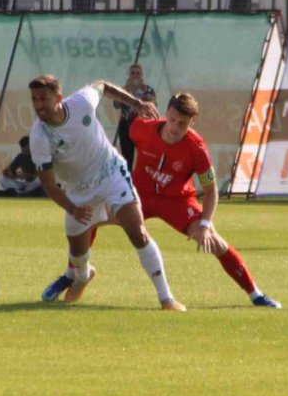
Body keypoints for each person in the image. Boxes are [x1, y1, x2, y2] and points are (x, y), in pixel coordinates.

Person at [29, 74, 186, 312]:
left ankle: (167, 299)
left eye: (43, 98)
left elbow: (101, 85)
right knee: (77, 252)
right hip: (78, 192)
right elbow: (49, 184)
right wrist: (72, 207)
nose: (39, 105)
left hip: (111, 173)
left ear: (59, 98)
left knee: (137, 232)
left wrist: (136, 103)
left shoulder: (81, 102)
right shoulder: (39, 136)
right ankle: (82, 276)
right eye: (34, 100)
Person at [129, 93, 281, 309]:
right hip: (138, 196)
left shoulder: (197, 149)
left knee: (214, 242)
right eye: (172, 119)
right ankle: (74, 275)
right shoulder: (141, 128)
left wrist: (205, 225)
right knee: (90, 216)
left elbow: (211, 191)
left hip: (176, 201)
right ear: (166, 114)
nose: (174, 127)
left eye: (182, 123)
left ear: (193, 121)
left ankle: (255, 294)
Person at [115, 64, 156, 171]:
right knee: (127, 157)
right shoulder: (122, 90)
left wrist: (142, 93)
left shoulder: (148, 90)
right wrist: (126, 89)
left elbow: (153, 106)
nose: (135, 76)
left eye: (137, 73)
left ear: (141, 75)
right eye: (133, 73)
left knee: (145, 155)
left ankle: (143, 181)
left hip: (143, 126)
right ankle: (128, 182)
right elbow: (116, 105)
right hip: (126, 126)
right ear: (129, 75)